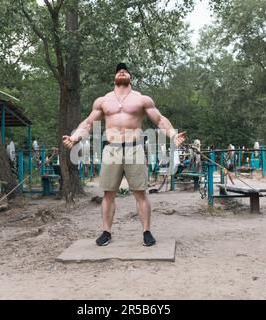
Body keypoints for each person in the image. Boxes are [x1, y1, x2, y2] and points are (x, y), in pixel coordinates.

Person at [62, 62, 186, 247]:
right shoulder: (103, 101)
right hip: (111, 149)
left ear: (130, 78)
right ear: (114, 77)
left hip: (134, 148)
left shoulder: (142, 99)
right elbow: (88, 123)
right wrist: (75, 138)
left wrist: (173, 135)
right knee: (108, 194)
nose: (122, 71)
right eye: (119, 70)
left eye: (125, 70)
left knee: (140, 193)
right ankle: (106, 232)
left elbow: (160, 120)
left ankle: (146, 232)